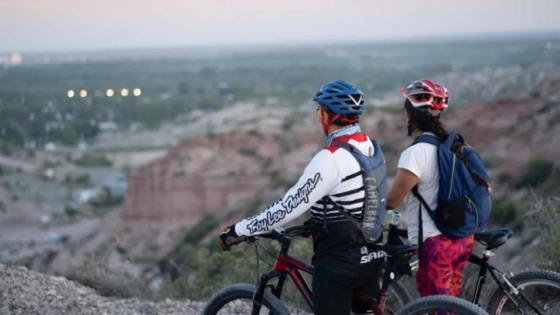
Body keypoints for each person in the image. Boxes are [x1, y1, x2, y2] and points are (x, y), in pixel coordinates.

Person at [218, 79, 387, 315]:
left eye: (319, 110)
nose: (319, 116)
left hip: (338, 263)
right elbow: (359, 197)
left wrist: (240, 230)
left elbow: (287, 207)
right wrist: (315, 221)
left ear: (328, 115)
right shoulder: (370, 147)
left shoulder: (330, 158)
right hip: (370, 255)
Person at [385, 78, 475, 298]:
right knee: (452, 304)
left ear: (408, 114)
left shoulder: (416, 153)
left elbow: (391, 201)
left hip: (434, 245)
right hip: (461, 238)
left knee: (438, 308)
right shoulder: (452, 146)